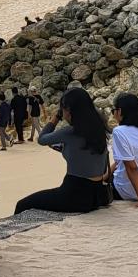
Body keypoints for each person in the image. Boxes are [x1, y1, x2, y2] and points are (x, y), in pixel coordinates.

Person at [16, 86, 113, 214]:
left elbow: (42, 139)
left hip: (73, 195)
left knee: (23, 204)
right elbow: (84, 156)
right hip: (96, 196)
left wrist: (56, 117)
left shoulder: (70, 132)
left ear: (68, 110)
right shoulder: (100, 129)